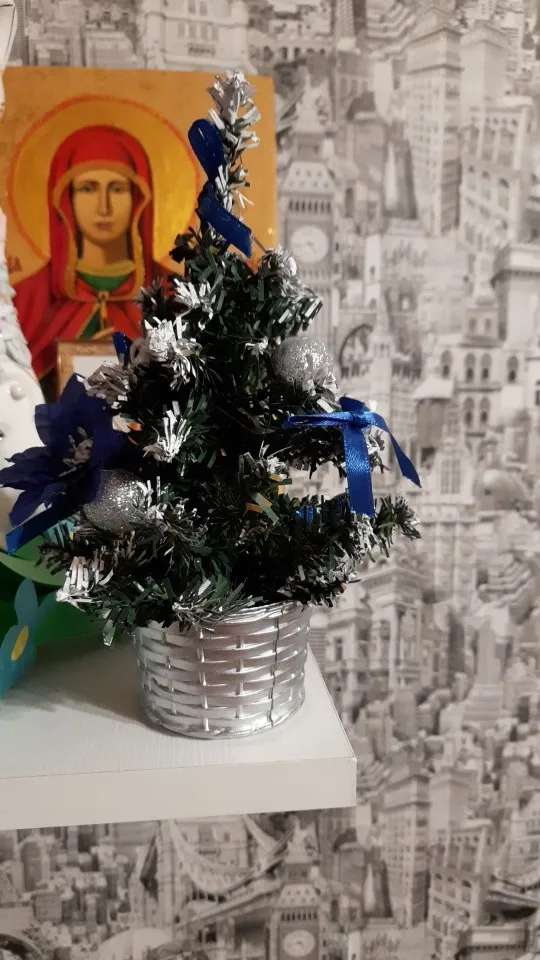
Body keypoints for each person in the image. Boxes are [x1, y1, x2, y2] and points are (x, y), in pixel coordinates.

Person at [14, 125, 167, 391]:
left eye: (117, 189)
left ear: (138, 198)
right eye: (87, 188)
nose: (103, 207)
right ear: (66, 198)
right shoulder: (26, 300)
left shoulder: (173, 293)